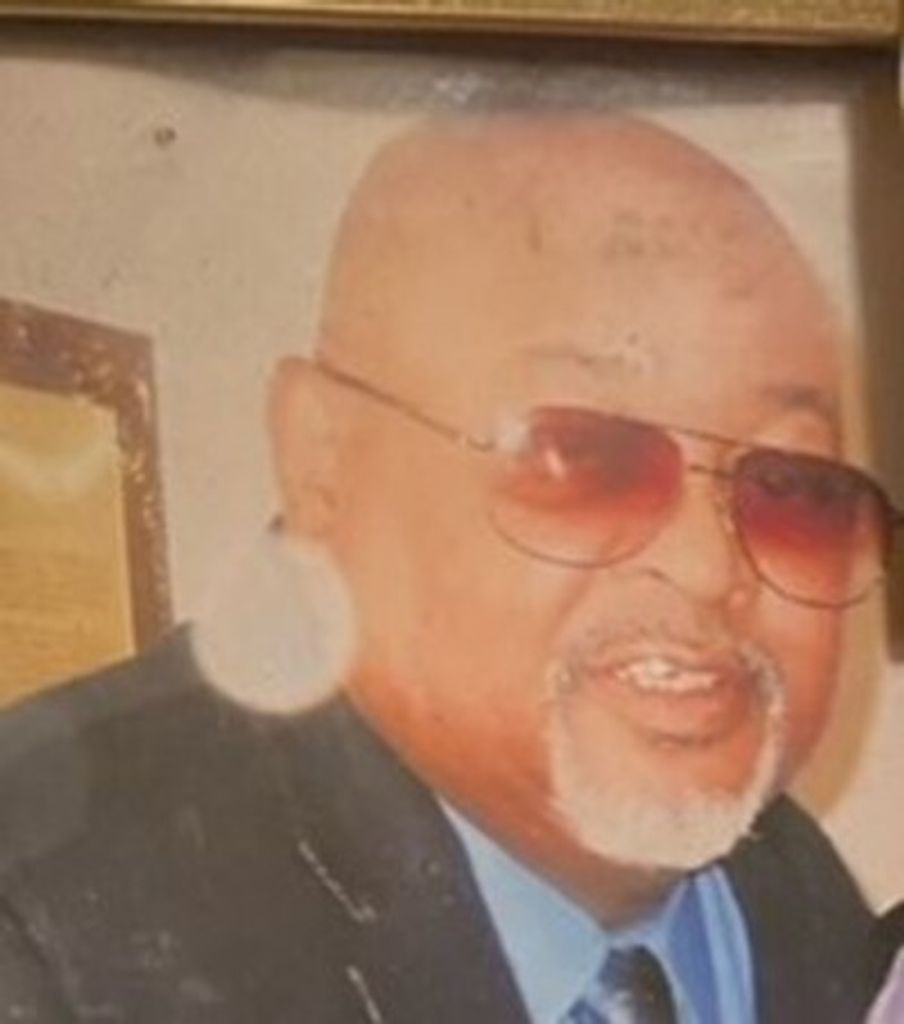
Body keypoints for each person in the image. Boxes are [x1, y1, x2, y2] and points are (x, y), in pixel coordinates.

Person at [0, 115, 895, 1023]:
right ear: (323, 458)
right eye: (578, 455)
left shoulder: (810, 909)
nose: (706, 564)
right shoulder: (45, 923)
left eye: (793, 488)